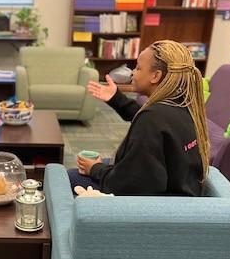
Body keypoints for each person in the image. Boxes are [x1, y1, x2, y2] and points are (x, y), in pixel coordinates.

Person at [70, 40, 210, 196]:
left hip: (153, 207)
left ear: (155, 76)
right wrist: (116, 98)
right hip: (178, 195)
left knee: (70, 177)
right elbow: (151, 123)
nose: (132, 73)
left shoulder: (152, 118)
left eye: (138, 68)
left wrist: (95, 169)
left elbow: (127, 185)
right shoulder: (183, 106)